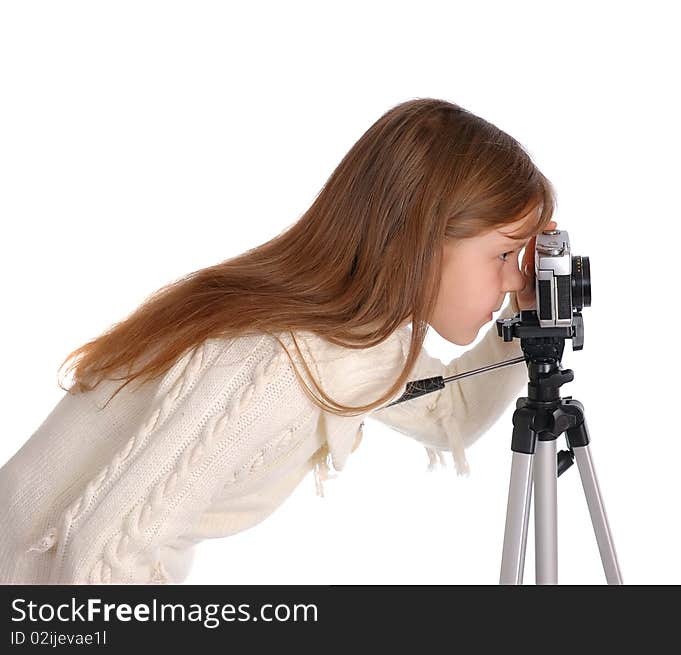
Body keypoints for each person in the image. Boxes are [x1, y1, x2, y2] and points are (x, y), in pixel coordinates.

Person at [0, 98, 558, 584]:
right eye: (505, 256)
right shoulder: (277, 363)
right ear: (417, 240)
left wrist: (528, 320)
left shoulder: (358, 342)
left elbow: (450, 415)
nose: (514, 278)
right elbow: (102, 561)